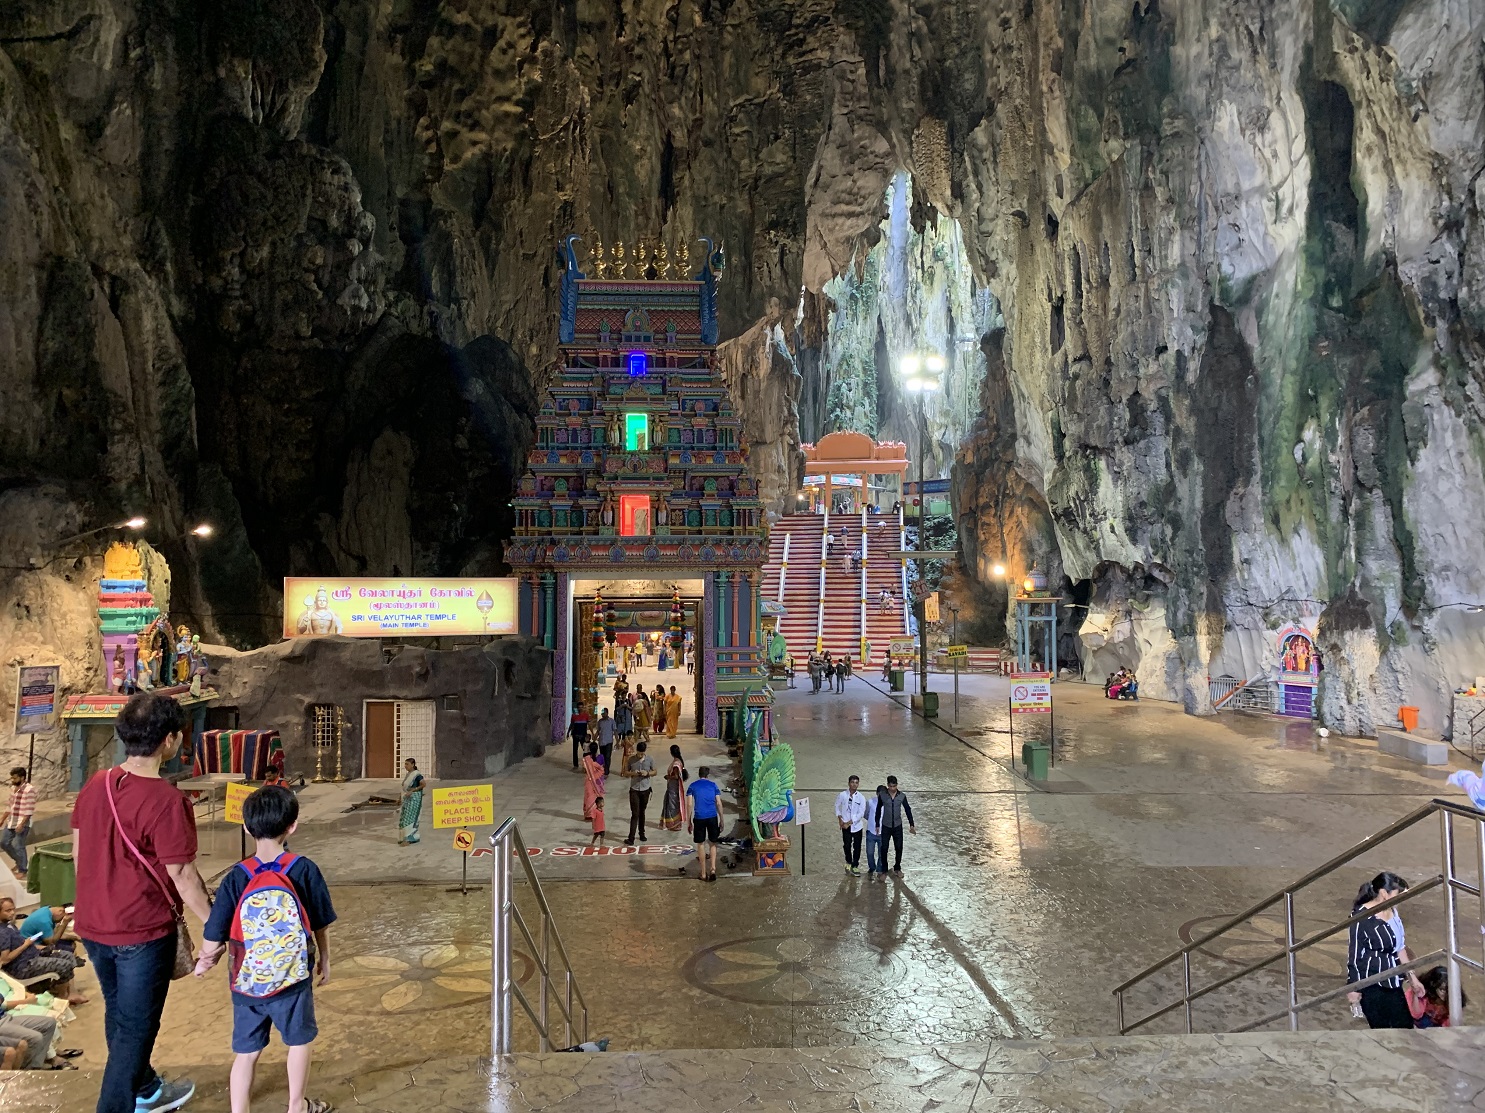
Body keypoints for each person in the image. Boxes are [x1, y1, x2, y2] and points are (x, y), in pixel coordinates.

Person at [72, 691, 213, 1113]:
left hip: (94, 926)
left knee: (119, 1015)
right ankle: (116, 1105)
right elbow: (183, 875)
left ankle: (147, 1087)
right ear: (170, 740)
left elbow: (80, 856)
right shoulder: (167, 802)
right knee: (135, 1028)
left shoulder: (95, 785)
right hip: (141, 931)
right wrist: (216, 926)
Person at [194, 786, 335, 1113]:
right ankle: (296, 1106)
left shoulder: (237, 876)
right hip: (293, 980)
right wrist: (325, 959)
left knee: (247, 1052)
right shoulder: (303, 868)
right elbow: (320, 923)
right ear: (293, 825)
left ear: (246, 827)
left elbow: (214, 932)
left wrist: (204, 961)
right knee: (299, 1042)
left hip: (246, 981)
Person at [1346, 871, 1413, 1029]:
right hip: (1371, 982)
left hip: (1393, 979)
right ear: (1384, 893)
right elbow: (1355, 955)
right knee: (1381, 1029)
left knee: (1405, 1026)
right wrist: (1353, 988)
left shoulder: (1393, 912)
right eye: (1398, 894)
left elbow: (1400, 947)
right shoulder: (1361, 918)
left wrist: (1412, 977)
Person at [0, 897, 84, 1005]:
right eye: (8, 911)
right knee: (65, 965)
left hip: (33, 954)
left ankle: (70, 992)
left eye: (13, 909)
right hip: (23, 966)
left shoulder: (9, 925)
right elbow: (5, 959)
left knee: (68, 955)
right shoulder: (2, 933)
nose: (12, 913)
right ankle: (63, 998)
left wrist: (36, 947)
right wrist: (25, 945)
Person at [685, 766, 724, 882]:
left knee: (700, 844)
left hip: (699, 817)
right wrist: (721, 819)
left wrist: (689, 821)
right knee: (713, 843)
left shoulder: (692, 786)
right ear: (708, 775)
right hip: (712, 817)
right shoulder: (713, 785)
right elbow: (718, 803)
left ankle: (703, 873)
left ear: (699, 774)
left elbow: (689, 804)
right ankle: (713, 869)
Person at [875, 776, 916, 875]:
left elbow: (907, 809)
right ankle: (884, 870)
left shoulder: (902, 796)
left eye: (894, 786)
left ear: (897, 785)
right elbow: (878, 810)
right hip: (886, 826)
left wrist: (911, 824)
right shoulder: (882, 795)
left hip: (897, 826)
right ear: (888, 785)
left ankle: (897, 868)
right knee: (884, 848)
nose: (892, 789)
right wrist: (877, 824)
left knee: (899, 847)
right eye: (890, 786)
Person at [0, 768, 36, 880]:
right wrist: (2, 819)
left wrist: (22, 824)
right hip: (11, 821)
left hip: (22, 822)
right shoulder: (13, 788)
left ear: (22, 777)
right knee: (4, 842)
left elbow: (29, 810)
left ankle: (23, 869)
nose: (13, 780)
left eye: (15, 778)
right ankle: (19, 861)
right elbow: (9, 806)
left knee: (18, 845)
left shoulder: (29, 790)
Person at [834, 776, 866, 875]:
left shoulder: (861, 798)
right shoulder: (843, 795)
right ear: (849, 783)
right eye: (852, 782)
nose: (854, 784)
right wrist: (840, 819)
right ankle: (848, 861)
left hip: (856, 827)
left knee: (857, 846)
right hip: (844, 826)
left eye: (856, 782)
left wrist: (849, 823)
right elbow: (836, 805)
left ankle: (855, 865)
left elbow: (861, 813)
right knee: (846, 845)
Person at [624, 741, 655, 845]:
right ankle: (631, 837)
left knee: (642, 812)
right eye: (639, 753)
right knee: (635, 813)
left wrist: (647, 773)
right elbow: (625, 772)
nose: (640, 755)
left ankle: (642, 834)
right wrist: (634, 773)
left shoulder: (649, 759)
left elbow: (655, 771)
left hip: (645, 789)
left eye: (642, 753)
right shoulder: (631, 760)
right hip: (634, 789)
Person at [659, 745, 688, 832]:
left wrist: (668, 777)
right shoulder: (679, 761)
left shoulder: (676, 763)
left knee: (672, 805)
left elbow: (675, 776)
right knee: (671, 804)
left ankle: (674, 824)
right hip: (673, 787)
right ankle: (673, 823)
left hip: (673, 788)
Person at [397, 758, 424, 845]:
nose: (405, 766)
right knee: (404, 818)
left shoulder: (417, 775)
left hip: (414, 799)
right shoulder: (409, 774)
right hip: (407, 799)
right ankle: (404, 837)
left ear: (413, 765)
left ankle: (411, 837)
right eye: (405, 764)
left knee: (410, 819)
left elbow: (423, 784)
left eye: (407, 764)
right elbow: (404, 787)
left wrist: (413, 790)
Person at [864, 784, 888, 880]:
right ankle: (872, 867)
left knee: (881, 853)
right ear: (877, 794)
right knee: (870, 852)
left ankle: (879, 869)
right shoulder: (870, 802)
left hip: (883, 833)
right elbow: (866, 814)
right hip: (871, 832)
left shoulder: (888, 805)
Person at [581, 744, 605, 822]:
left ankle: (589, 814)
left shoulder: (587, 760)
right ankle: (594, 813)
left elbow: (584, 770)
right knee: (594, 798)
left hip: (589, 781)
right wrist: (596, 776)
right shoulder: (600, 757)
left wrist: (592, 776)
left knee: (588, 798)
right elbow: (602, 768)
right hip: (597, 781)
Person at [568, 705, 591, 770]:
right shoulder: (574, 716)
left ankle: (587, 764)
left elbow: (589, 725)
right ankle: (575, 765)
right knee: (575, 750)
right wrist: (568, 732)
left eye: (581, 707)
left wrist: (593, 733)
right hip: (575, 735)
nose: (580, 709)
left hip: (583, 735)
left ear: (583, 708)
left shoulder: (586, 715)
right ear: (577, 708)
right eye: (579, 707)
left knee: (586, 750)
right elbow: (572, 724)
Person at [596, 708, 616, 773]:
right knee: (602, 756)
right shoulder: (600, 722)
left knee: (607, 757)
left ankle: (606, 771)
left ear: (607, 713)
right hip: (601, 742)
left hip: (609, 741)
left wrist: (617, 741)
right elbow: (598, 731)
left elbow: (615, 731)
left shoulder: (611, 721)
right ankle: (603, 768)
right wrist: (594, 738)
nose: (603, 715)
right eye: (602, 714)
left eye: (604, 713)